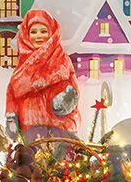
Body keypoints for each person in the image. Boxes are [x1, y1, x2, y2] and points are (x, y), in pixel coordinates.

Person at [5, 8, 81, 139]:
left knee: (60, 158)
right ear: (26, 36)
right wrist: (11, 116)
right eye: (33, 32)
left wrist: (66, 99)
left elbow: (71, 85)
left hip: (59, 126)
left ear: (52, 33)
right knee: (32, 157)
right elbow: (12, 94)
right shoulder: (23, 66)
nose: (38, 36)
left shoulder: (60, 60)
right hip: (30, 127)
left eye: (43, 31)